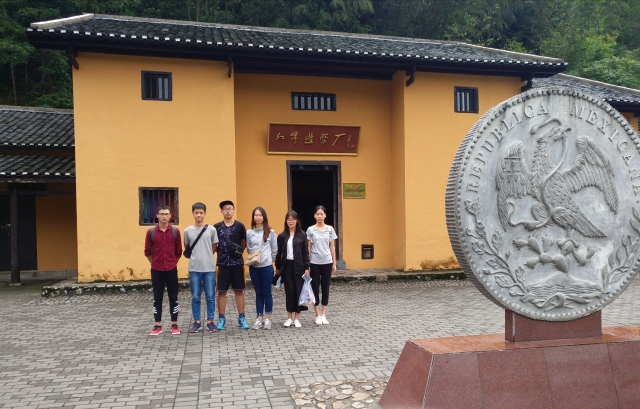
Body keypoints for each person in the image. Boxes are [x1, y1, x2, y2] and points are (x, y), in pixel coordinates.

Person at [144, 205, 183, 335]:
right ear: (157, 216)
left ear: (170, 216)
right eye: (162, 214)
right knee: (157, 298)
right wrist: (154, 263)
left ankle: (174, 323)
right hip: (156, 269)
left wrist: (172, 263)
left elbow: (178, 252)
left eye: (166, 214)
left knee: (173, 297)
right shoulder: (151, 232)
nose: (164, 216)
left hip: (171, 269)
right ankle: (157, 324)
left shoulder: (175, 232)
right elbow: (147, 252)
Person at [214, 200, 249, 330]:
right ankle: (221, 318)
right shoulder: (216, 227)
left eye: (230, 208)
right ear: (221, 211)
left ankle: (242, 318)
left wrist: (237, 252)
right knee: (221, 292)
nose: (228, 211)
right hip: (222, 264)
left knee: (239, 291)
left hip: (237, 264)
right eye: (225, 209)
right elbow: (214, 246)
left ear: (233, 210)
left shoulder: (240, 226)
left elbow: (244, 243)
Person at [184, 202, 219, 333]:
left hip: (209, 268)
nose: (199, 215)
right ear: (193, 214)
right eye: (196, 213)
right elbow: (187, 247)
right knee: (195, 297)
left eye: (201, 213)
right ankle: (197, 322)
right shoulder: (187, 231)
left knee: (210, 296)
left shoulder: (212, 230)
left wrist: (206, 256)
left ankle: (210, 321)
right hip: (194, 268)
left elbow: (214, 247)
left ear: (205, 214)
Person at [275, 210, 310, 328]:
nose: (291, 222)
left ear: (297, 220)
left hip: (299, 267)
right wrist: (278, 267)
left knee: (298, 292)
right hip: (287, 267)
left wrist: (307, 267)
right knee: (289, 292)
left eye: (293, 219)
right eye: (289, 219)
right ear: (286, 221)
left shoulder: (302, 235)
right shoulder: (282, 236)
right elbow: (278, 253)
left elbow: (305, 252)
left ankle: (297, 318)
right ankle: (289, 317)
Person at [246, 207, 278, 330]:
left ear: (264, 217)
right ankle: (259, 318)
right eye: (256, 215)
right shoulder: (249, 232)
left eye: (260, 215)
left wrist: (269, 259)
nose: (258, 217)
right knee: (258, 293)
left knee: (267, 293)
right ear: (253, 217)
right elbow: (249, 249)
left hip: (266, 267)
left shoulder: (270, 232)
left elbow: (275, 249)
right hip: (254, 267)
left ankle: (268, 318)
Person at [307, 205, 338, 325]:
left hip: (327, 261)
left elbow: (332, 247)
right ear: (314, 216)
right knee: (314, 288)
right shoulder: (310, 230)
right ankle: (317, 314)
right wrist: (308, 264)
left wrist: (334, 263)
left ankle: (324, 314)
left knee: (325, 288)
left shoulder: (330, 229)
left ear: (325, 215)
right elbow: (309, 247)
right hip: (314, 262)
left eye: (321, 214)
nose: (319, 216)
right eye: (317, 214)